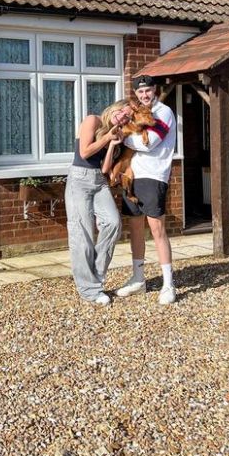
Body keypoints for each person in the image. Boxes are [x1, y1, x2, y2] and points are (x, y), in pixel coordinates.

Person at [115, 75, 178, 305]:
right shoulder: (137, 111)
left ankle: (168, 284)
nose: (144, 95)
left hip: (154, 175)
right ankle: (138, 279)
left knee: (157, 229)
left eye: (148, 91)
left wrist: (124, 138)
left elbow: (148, 143)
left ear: (155, 90)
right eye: (140, 93)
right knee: (135, 228)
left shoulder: (164, 112)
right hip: (132, 175)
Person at [65, 100, 134, 306]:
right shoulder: (92, 120)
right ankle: (89, 290)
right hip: (79, 179)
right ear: (114, 107)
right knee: (82, 234)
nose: (123, 117)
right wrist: (107, 138)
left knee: (113, 223)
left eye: (127, 117)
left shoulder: (115, 135)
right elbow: (85, 153)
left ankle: (96, 275)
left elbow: (104, 169)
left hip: (99, 181)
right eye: (122, 111)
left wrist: (113, 145)